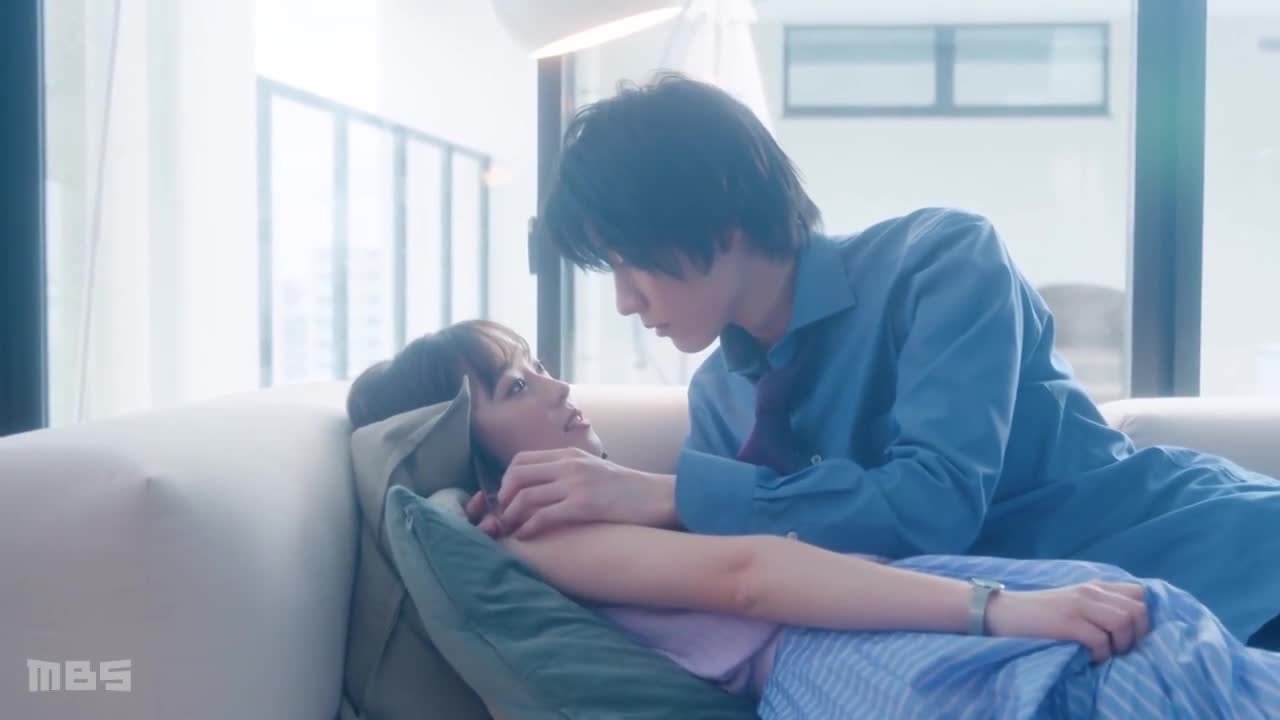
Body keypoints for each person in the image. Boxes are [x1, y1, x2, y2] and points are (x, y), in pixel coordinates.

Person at [481, 72, 1280, 651]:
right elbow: (766, 581)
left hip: (1215, 554)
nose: (625, 300)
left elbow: (934, 506)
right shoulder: (722, 400)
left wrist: (668, 494)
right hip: (1058, 635)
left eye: (632, 262)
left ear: (721, 214)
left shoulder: (943, 261)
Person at [347, 320, 1280, 717]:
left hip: (876, 636)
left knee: (1166, 653)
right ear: (461, 437)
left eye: (541, 366)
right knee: (1150, 664)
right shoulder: (542, 531)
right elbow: (751, 575)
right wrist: (1005, 608)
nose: (557, 388)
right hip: (858, 657)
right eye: (517, 386)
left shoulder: (579, 506)